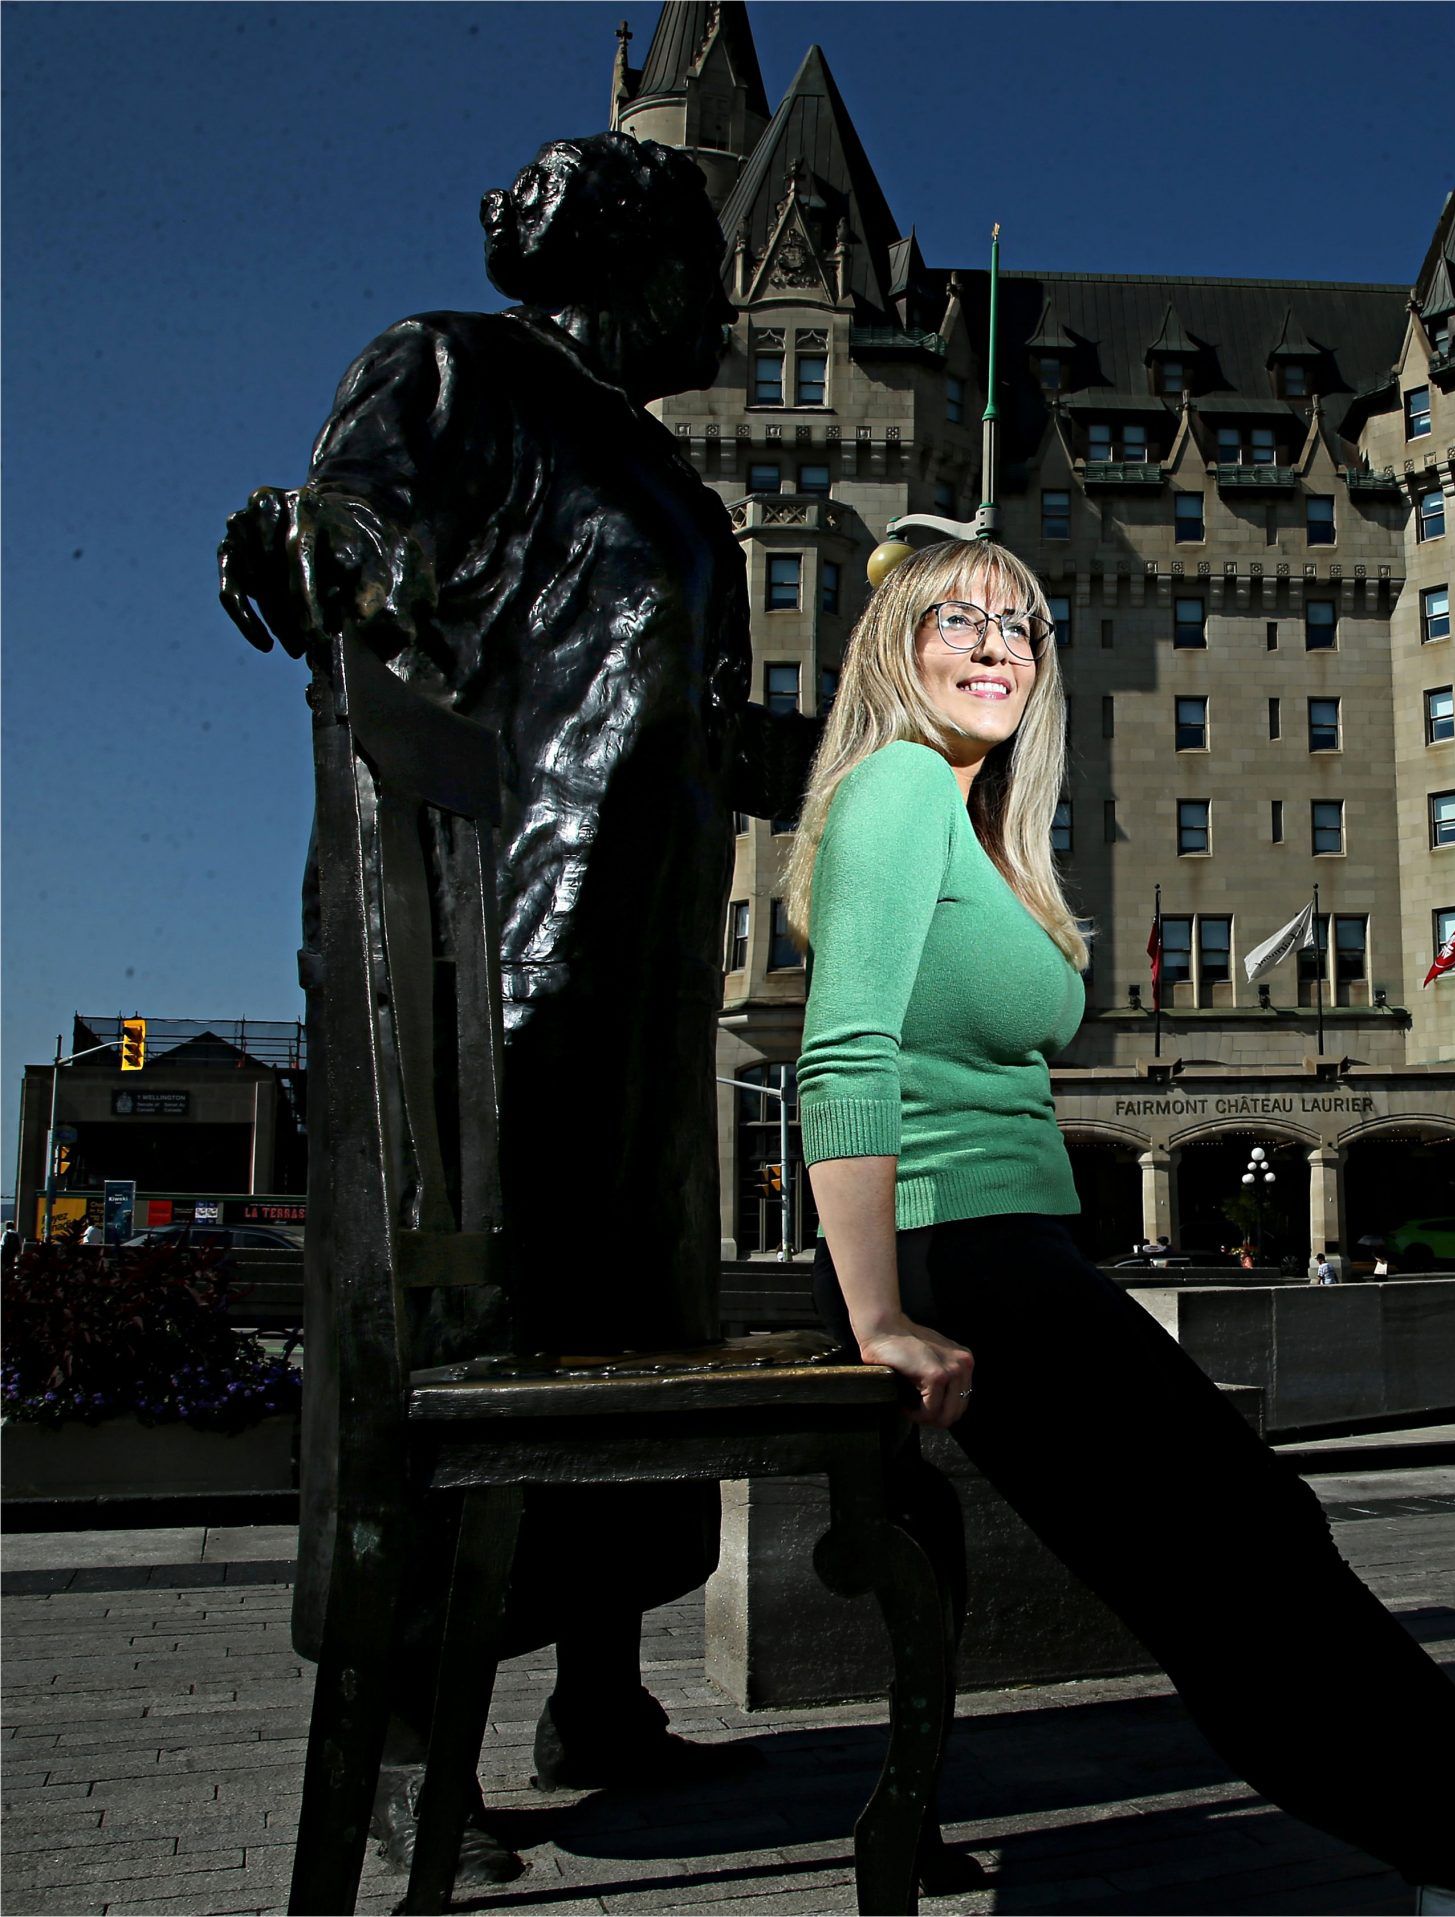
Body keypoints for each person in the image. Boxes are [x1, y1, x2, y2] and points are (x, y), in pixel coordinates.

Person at [791, 539, 1455, 1914]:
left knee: (1221, 1566)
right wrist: (880, 1312)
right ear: (897, 639)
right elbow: (842, 1057)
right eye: (959, 617)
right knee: (1238, 1548)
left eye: (1025, 621)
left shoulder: (965, 819)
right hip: (971, 1252)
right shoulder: (896, 789)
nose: (999, 642)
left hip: (1014, 1245)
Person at [217, 131, 803, 1879]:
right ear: (637, 268)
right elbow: (359, 511)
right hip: (492, 960)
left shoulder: (680, 486)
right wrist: (319, 532)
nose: (724, 302)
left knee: (629, 1311)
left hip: (641, 979)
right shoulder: (454, 365)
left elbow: (690, 738)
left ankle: (602, 1693)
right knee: (464, 1335)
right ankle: (411, 1744)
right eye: (707, 268)